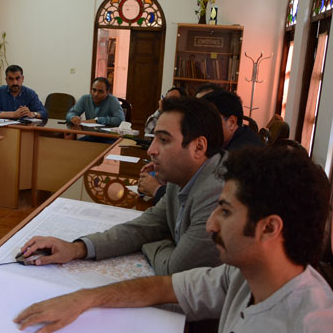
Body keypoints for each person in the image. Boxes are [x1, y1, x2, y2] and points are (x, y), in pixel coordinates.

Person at [14, 147, 333, 333]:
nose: (211, 224)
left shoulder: (310, 323)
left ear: (269, 228)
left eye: (225, 211)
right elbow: (164, 287)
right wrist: (84, 298)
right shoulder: (241, 275)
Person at [20, 97, 225, 275]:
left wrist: (152, 242)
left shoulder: (217, 193)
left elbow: (174, 269)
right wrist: (76, 248)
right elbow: (142, 228)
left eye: (164, 140)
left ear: (199, 147)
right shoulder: (180, 178)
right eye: (154, 138)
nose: (151, 150)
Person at [140, 89, 264, 204]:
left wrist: (156, 189)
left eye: (211, 118)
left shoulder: (239, 159)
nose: (200, 124)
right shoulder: (225, 143)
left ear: (231, 122)